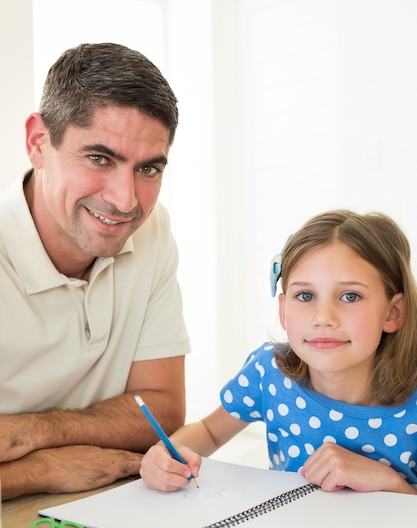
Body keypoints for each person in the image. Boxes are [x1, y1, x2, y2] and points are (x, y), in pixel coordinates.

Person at [0, 42, 191, 501]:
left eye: (148, 168)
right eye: (99, 159)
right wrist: (42, 470)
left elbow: (160, 410)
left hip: (106, 498)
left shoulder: (152, 227)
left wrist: (33, 433)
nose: (126, 201)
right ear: (38, 143)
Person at [140, 209, 417, 496]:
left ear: (392, 312)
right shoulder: (269, 372)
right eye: (305, 296)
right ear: (283, 310)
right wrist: (163, 456)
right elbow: (210, 432)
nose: (323, 317)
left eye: (350, 296)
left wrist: (390, 482)